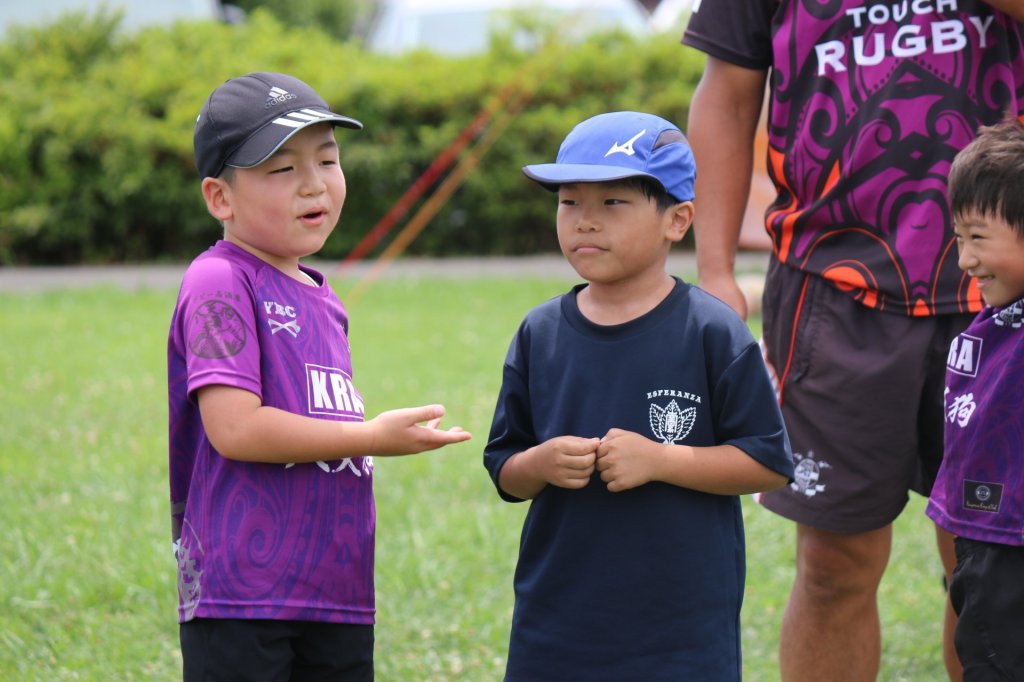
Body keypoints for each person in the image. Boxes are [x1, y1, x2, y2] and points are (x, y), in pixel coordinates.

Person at [681, 2, 1024, 680]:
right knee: (834, 562)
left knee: (990, 556)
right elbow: (727, 94)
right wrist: (716, 270)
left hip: (1001, 290)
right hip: (833, 287)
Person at [167, 72, 472, 681]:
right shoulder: (220, 279)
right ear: (221, 198)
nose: (314, 183)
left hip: (336, 588)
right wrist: (372, 437)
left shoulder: (323, 296)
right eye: (283, 169)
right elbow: (235, 429)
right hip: (244, 594)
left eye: (328, 160)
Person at [482, 110, 795, 681]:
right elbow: (505, 468)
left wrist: (661, 460)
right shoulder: (540, 333)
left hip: (681, 630)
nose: (585, 221)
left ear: (677, 220)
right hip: (557, 623)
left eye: (612, 203)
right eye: (569, 202)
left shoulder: (711, 331)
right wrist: (540, 464)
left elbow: (767, 463)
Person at [926, 117, 1024, 682]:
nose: (964, 259)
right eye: (959, 238)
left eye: (978, 238)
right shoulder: (992, 322)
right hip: (982, 545)